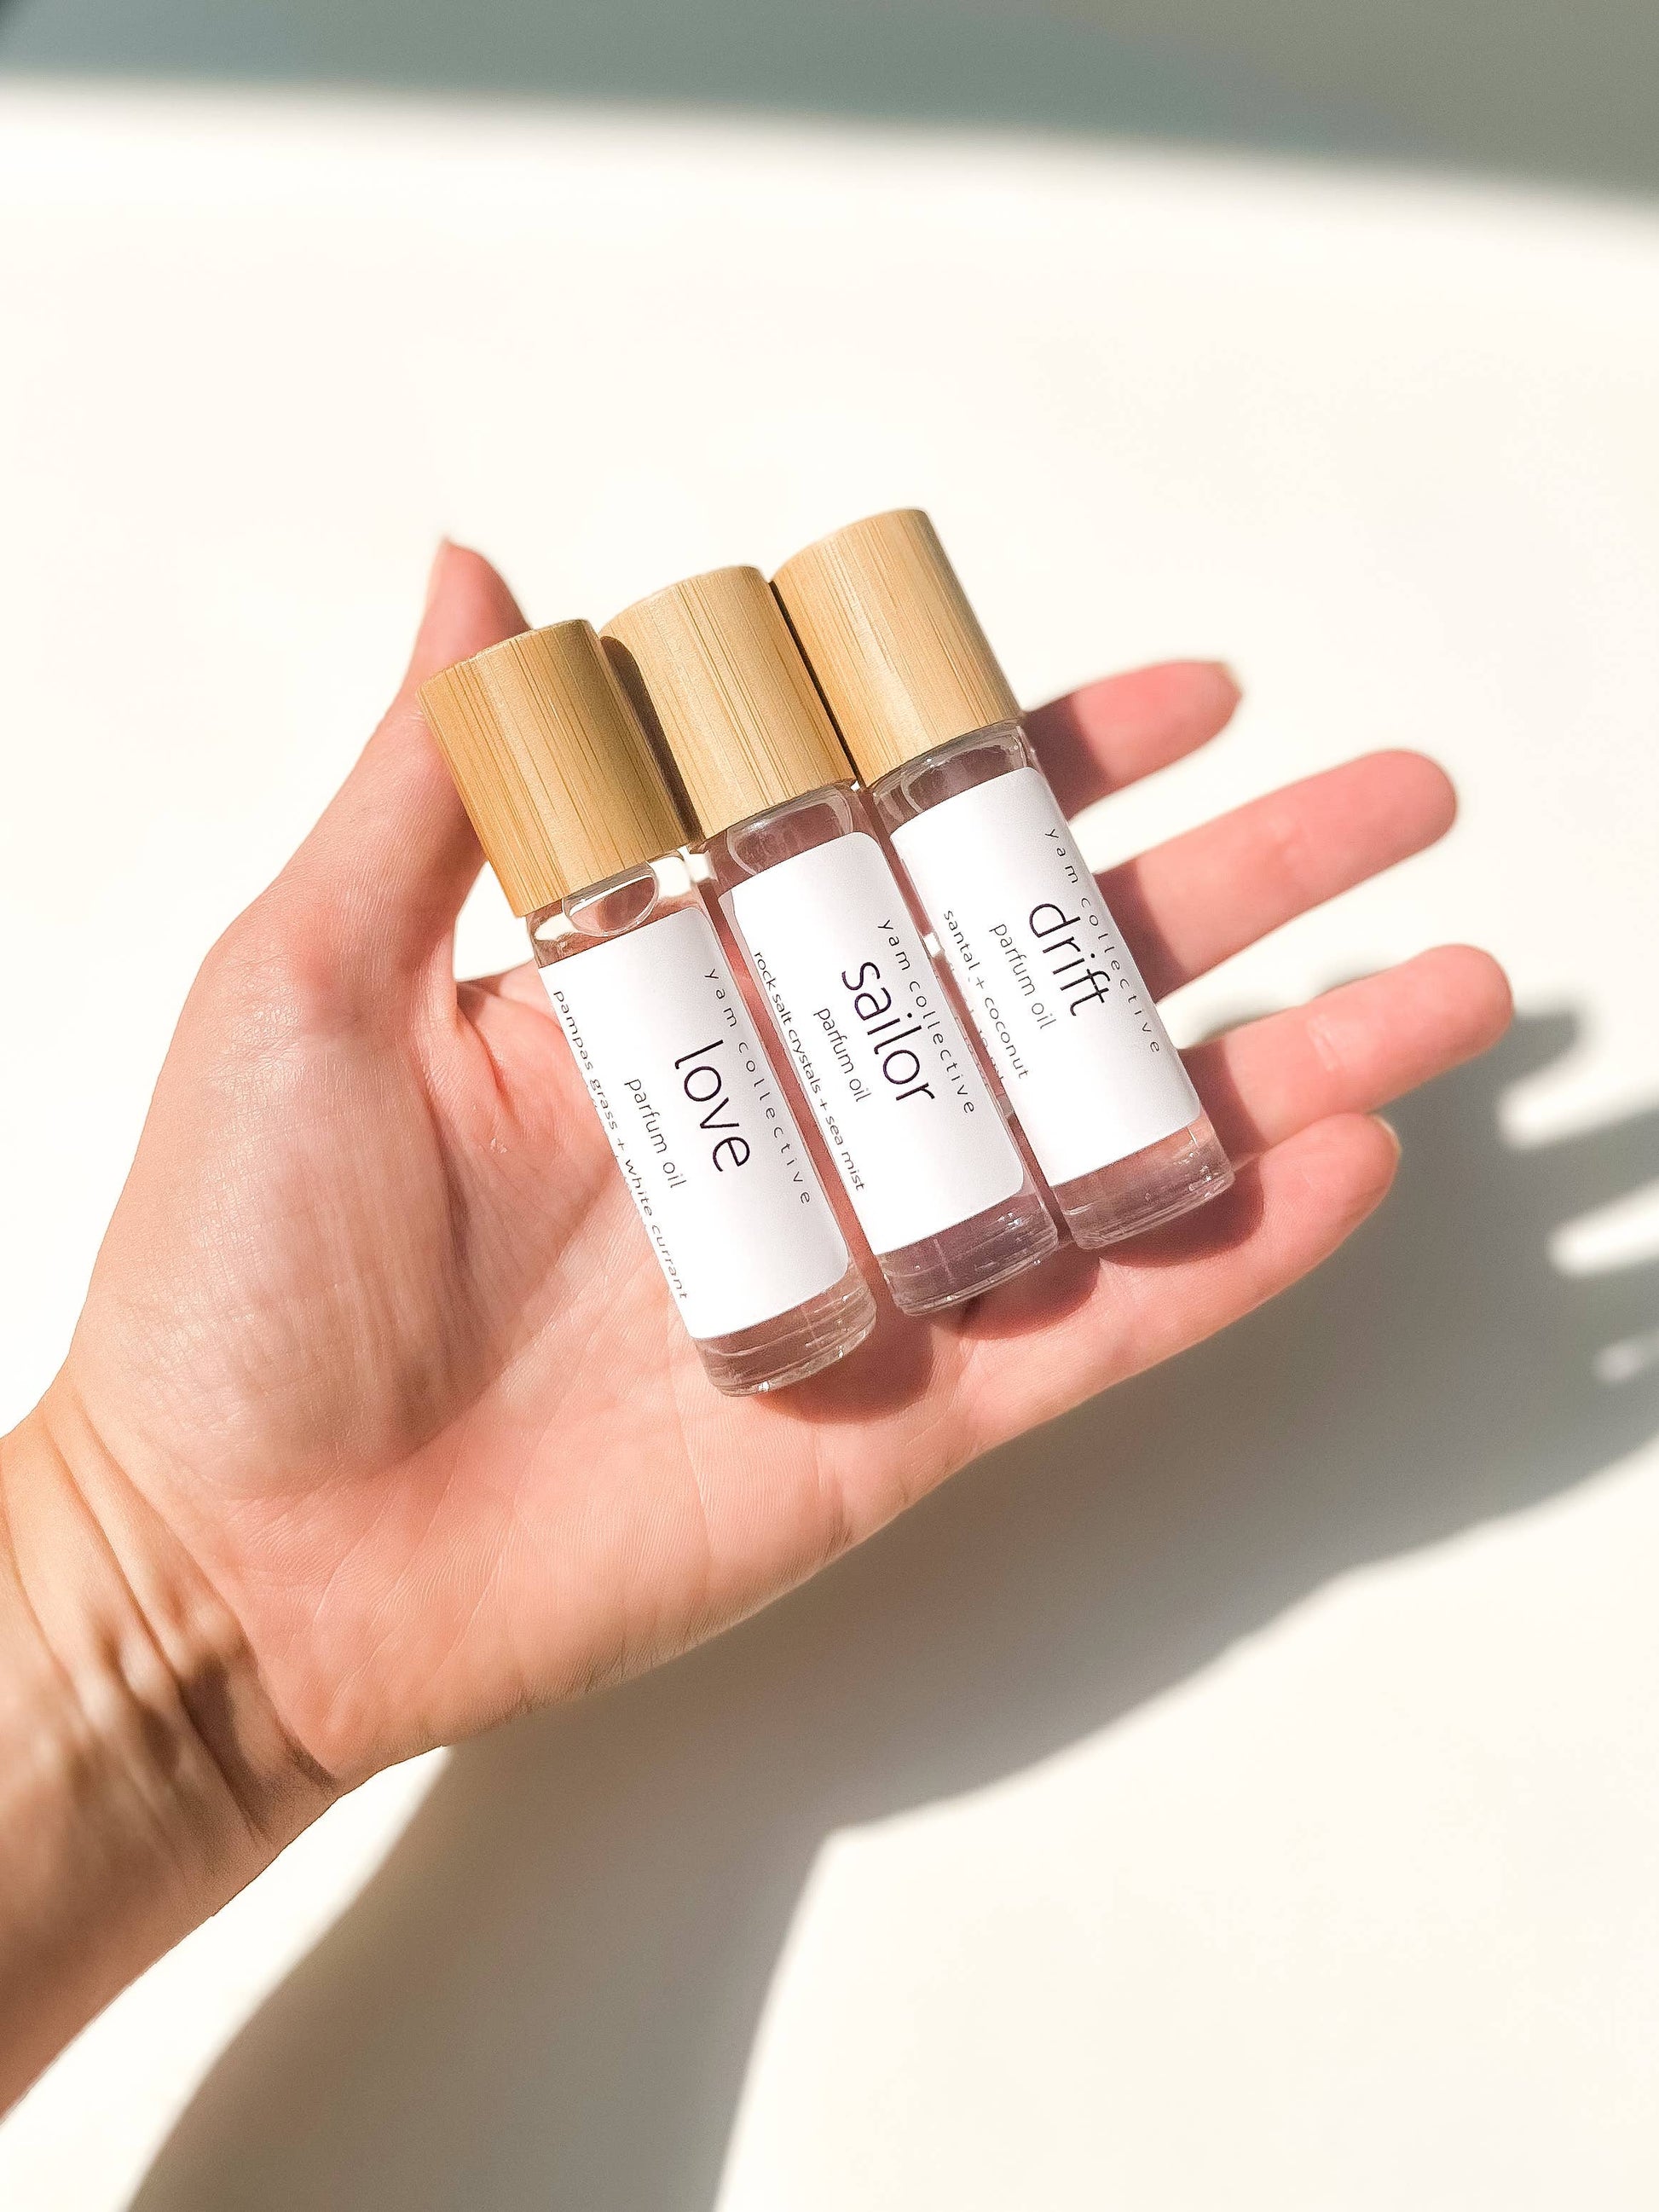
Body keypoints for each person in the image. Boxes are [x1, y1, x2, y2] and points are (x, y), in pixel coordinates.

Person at [0, 544, 1510, 2107]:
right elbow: (735, 1084)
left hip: (924, 1076)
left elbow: (902, 1007)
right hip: (770, 1194)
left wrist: (142, 1584)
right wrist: (150, 1559)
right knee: (804, 1062)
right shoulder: (633, 909)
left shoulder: (818, 837)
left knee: (950, 999)